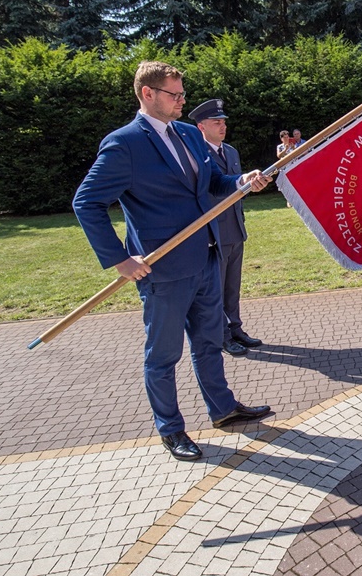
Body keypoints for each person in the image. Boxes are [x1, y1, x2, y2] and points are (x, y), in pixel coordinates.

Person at [73, 61, 273, 462]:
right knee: (163, 356)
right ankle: (171, 429)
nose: (183, 101)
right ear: (148, 94)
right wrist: (119, 259)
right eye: (175, 94)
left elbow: (212, 185)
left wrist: (241, 181)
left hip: (206, 257)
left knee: (208, 344)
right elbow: (86, 202)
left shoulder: (188, 133)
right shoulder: (124, 144)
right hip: (162, 269)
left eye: (182, 93)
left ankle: (223, 409)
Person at [191, 99, 264, 357]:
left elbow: (236, 188)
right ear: (201, 126)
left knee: (232, 287)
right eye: (216, 123)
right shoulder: (196, 153)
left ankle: (236, 329)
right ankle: (221, 336)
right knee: (215, 290)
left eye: (223, 122)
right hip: (213, 234)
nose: (222, 127)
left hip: (235, 228)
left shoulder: (230, 152)